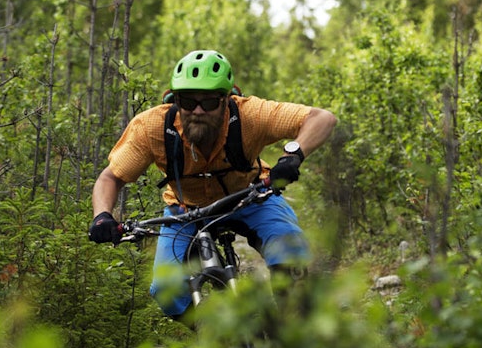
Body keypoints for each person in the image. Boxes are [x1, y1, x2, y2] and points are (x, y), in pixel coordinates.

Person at [87, 49, 337, 323]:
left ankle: (293, 335)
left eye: (208, 102)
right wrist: (102, 216)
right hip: (186, 211)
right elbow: (111, 178)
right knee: (166, 291)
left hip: (251, 198)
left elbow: (322, 118)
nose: (197, 111)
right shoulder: (152, 127)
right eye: (187, 101)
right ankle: (214, 339)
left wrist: (293, 156)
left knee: (290, 254)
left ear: (226, 100)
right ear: (174, 100)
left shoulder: (249, 115)